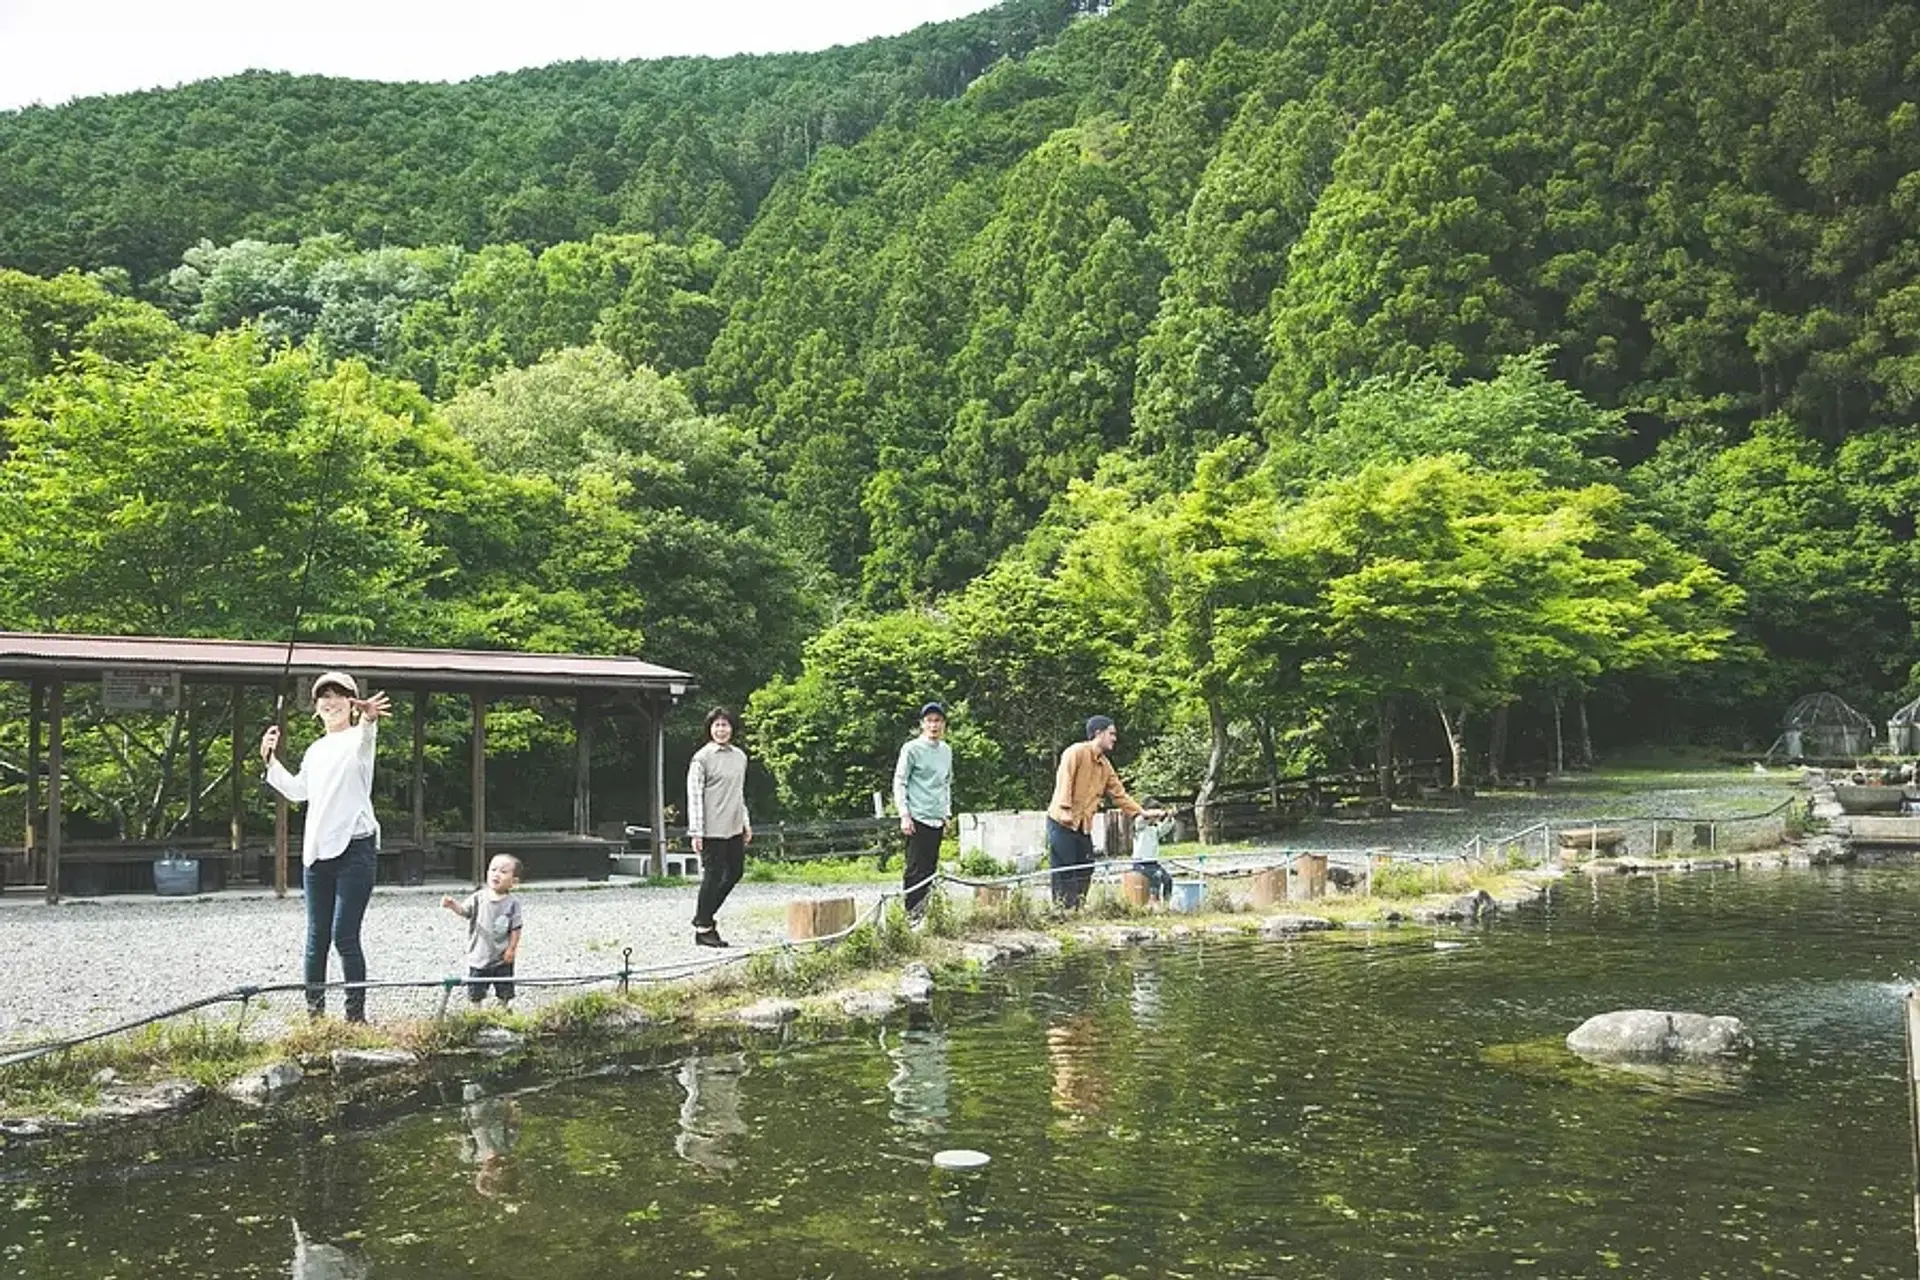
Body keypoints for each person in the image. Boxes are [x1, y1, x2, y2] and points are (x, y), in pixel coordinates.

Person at [261, 670, 388, 1022]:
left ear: (351, 701)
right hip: (316, 854)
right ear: (316, 707)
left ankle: (355, 1018)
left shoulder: (359, 740)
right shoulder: (316, 750)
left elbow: (366, 736)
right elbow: (299, 791)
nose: (330, 702)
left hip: (355, 849)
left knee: (344, 935)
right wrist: (269, 760)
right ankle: (315, 1017)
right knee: (316, 940)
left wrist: (368, 718)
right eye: (323, 697)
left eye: (338, 695)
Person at [1045, 715, 1164, 909]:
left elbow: (1119, 794)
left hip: (1083, 825)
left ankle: (1078, 907)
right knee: (1064, 868)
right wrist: (1065, 809)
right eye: (1111, 734)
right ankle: (1061, 910)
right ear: (1098, 734)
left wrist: (1142, 813)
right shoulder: (1075, 752)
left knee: (1086, 867)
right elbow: (1064, 781)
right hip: (1061, 821)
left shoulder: (1105, 765)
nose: (1114, 738)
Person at [687, 706, 751, 948]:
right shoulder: (701, 758)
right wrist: (696, 831)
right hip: (711, 827)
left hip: (734, 824)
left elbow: (739, 792)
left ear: (732, 728)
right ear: (709, 729)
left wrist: (746, 822)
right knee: (712, 876)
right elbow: (693, 796)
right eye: (717, 725)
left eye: (725, 725)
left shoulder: (740, 757)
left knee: (735, 872)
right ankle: (704, 929)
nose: (721, 729)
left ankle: (703, 917)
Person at [892, 701, 953, 923]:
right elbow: (900, 781)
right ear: (922, 724)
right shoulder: (912, 749)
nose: (934, 725)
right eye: (929, 721)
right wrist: (904, 814)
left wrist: (947, 813)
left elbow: (946, 783)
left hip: (936, 817)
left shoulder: (946, 750)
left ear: (943, 724)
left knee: (930, 868)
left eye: (937, 721)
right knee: (915, 868)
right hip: (917, 816)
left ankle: (924, 914)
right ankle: (911, 916)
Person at [442, 853, 524, 1009]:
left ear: (514, 882)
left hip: (502, 956)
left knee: (505, 988)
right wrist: (453, 905)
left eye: (503, 871)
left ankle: (502, 1009)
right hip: (479, 954)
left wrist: (511, 949)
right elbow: (465, 912)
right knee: (476, 990)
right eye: (493, 869)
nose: (496, 874)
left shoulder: (513, 903)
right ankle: (477, 1013)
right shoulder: (479, 897)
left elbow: (516, 927)